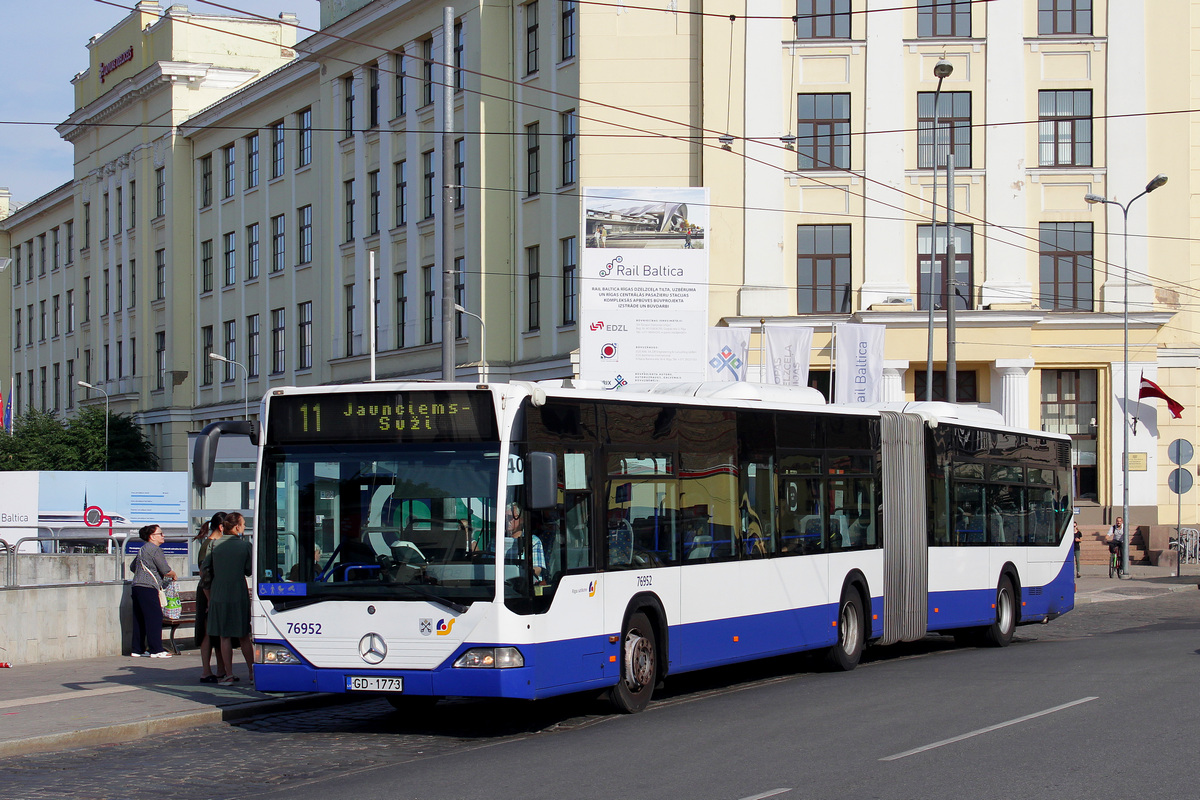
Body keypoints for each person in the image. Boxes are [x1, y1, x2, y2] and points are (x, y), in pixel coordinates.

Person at [203, 512, 254, 685]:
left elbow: (205, 572)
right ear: (237, 527)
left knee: (224, 636)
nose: (245, 527)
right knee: (243, 635)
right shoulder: (245, 546)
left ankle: (229, 674)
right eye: (244, 524)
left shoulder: (214, 545)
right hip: (238, 593)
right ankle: (252, 672)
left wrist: (209, 594)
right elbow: (249, 570)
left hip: (218, 593)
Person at [130, 524, 177, 658]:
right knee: (154, 617)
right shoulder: (155, 550)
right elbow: (165, 569)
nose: (163, 536)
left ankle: (137, 649)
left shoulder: (142, 550)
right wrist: (174, 574)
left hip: (137, 586)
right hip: (148, 587)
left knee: (139, 618)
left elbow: (133, 566)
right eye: (160, 534)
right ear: (152, 537)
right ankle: (156, 649)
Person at [195, 512, 228, 683]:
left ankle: (222, 669)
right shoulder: (210, 545)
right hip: (209, 592)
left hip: (214, 592)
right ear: (221, 527)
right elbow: (204, 575)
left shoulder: (213, 543)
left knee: (218, 633)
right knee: (208, 633)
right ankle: (206, 671)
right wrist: (209, 599)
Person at [504, 502, 545, 585]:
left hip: (523, 586)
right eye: (505, 517)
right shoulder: (495, 541)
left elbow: (537, 568)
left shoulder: (533, 541)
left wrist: (520, 576)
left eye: (511, 517)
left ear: (521, 520)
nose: (508, 521)